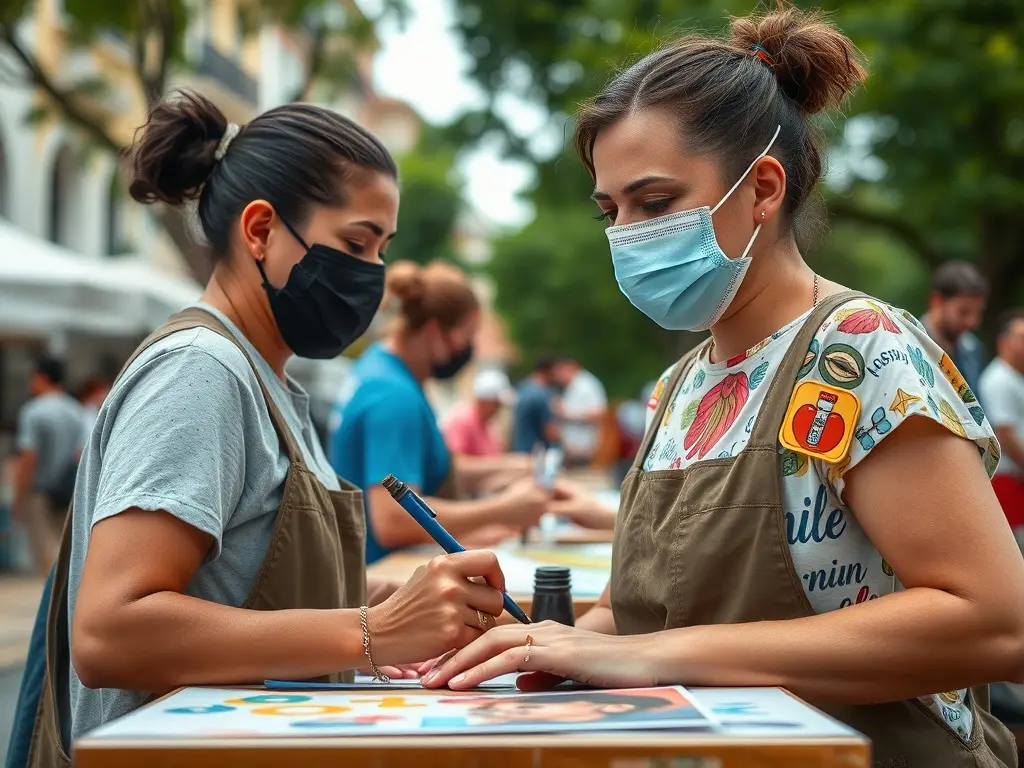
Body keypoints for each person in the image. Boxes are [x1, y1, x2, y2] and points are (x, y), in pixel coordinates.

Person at [424, 7, 1023, 765]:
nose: (626, 235)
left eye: (655, 202)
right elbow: (636, 619)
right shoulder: (679, 388)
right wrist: (542, 643)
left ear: (763, 188)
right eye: (611, 211)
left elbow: (998, 625)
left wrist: (658, 655)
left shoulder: (859, 354)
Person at [14, 91, 513, 767]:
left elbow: (232, 582)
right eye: (356, 243)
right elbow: (111, 632)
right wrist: (373, 629)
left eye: (381, 249)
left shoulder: (267, 383)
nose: (373, 276)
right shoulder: (201, 371)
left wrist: (360, 598)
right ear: (260, 231)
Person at [330, 260, 549, 565]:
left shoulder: (378, 368)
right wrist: (503, 509)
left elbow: (421, 467)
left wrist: (513, 467)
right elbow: (393, 520)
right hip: (380, 576)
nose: (471, 349)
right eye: (468, 336)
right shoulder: (394, 397)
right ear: (434, 331)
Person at [12, 355, 84, 576]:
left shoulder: (33, 412)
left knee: (47, 553)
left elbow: (28, 458)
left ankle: (55, 607)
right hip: (69, 490)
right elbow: (80, 453)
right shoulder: (75, 410)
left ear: (41, 377)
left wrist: (19, 497)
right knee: (67, 551)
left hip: (40, 492)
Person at [979, 310, 1024, 552]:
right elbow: (1005, 434)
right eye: (1022, 337)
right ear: (1003, 341)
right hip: (1007, 477)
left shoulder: (1016, 378)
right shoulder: (999, 379)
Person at [921, 261, 988, 398]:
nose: (972, 322)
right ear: (937, 301)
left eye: (979, 313)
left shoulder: (973, 348)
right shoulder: (910, 345)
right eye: (963, 312)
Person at [552, 357, 608, 467]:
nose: (557, 377)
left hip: (583, 449)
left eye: (559, 371)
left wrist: (566, 413)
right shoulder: (573, 386)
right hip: (573, 450)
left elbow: (598, 414)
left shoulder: (586, 386)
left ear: (569, 367)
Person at [510, 356, 561, 453]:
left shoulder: (521, 387)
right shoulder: (542, 394)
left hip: (519, 448)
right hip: (535, 453)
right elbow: (550, 431)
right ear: (548, 371)